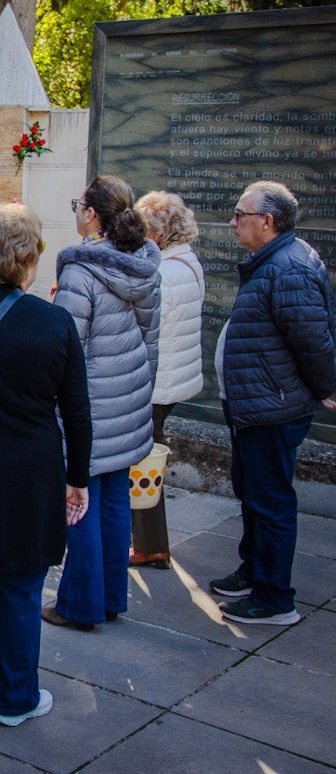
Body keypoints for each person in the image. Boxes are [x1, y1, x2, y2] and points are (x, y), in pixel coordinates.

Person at [0, 204, 91, 729]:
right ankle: (16, 698)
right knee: (23, 590)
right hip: (32, 472)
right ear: (28, 258)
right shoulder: (53, 321)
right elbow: (76, 410)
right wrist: (78, 479)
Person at [210, 181, 336, 625]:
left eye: (240, 214)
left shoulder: (289, 268)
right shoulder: (277, 260)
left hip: (273, 407)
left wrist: (326, 388)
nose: (232, 222)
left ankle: (274, 598)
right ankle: (254, 570)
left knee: (270, 500)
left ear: (266, 222)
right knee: (253, 494)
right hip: (256, 403)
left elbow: (313, 341)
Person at [44, 174, 160, 631]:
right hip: (127, 399)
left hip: (91, 406)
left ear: (91, 214)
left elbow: (66, 350)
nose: (76, 211)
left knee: (80, 504)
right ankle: (111, 596)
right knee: (113, 500)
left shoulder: (79, 270)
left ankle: (80, 605)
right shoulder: (144, 260)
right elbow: (150, 336)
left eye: (78, 204)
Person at [129, 191, 206, 569]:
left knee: (145, 461)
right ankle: (147, 541)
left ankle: (150, 544)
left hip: (157, 382)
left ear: (159, 233)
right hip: (174, 378)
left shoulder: (163, 273)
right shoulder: (188, 263)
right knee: (149, 455)